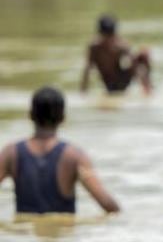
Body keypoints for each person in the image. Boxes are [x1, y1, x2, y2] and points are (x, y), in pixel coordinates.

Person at [0, 87, 120, 216]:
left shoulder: (11, 153)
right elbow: (108, 205)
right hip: (62, 235)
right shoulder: (74, 156)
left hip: (23, 234)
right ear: (63, 117)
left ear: (30, 115)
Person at [81, 15, 153, 95]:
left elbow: (135, 66)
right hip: (109, 84)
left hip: (122, 81)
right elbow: (87, 69)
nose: (108, 40)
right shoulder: (94, 48)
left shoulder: (121, 46)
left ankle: (149, 90)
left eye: (110, 36)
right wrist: (83, 91)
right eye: (105, 36)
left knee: (143, 55)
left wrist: (143, 83)